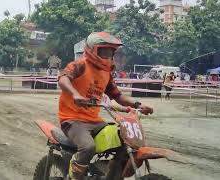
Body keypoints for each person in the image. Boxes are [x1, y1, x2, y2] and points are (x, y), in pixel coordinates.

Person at [58, 32, 153, 180]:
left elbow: (118, 96)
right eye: (104, 51)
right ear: (92, 49)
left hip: (95, 121)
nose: (108, 56)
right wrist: (75, 93)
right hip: (72, 119)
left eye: (110, 52)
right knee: (88, 147)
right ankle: (72, 178)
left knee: (124, 142)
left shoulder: (106, 73)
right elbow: (63, 79)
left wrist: (138, 105)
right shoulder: (80, 65)